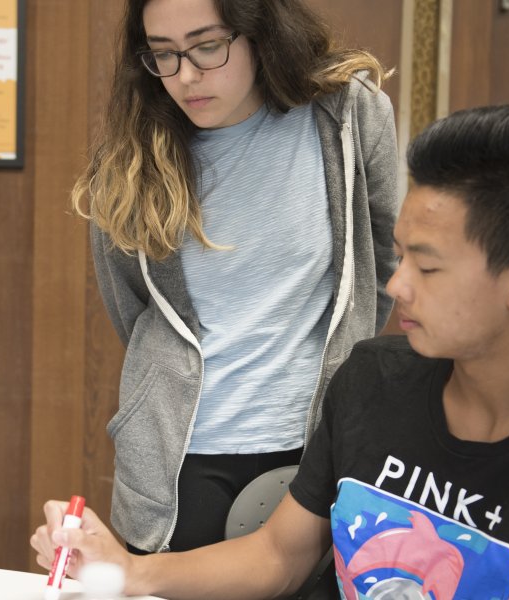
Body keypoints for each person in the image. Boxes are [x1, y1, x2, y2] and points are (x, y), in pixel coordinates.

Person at [33, 105, 509, 599]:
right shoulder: (374, 380)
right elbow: (278, 555)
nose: (396, 284)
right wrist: (125, 570)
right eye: (399, 254)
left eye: (427, 268)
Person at [73, 0, 399, 554]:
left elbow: (379, 264)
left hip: (313, 445)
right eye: (163, 55)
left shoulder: (348, 116)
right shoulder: (130, 157)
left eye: (206, 46)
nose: (187, 76)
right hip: (176, 462)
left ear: (260, 32)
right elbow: (134, 309)